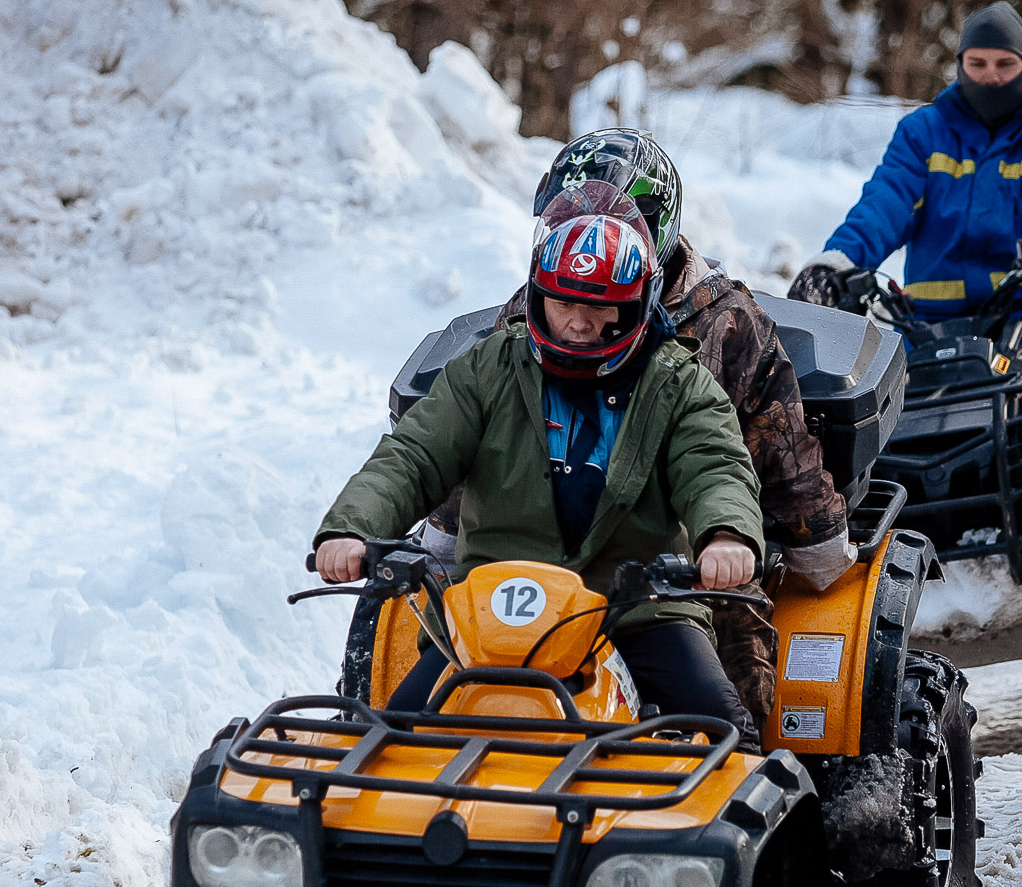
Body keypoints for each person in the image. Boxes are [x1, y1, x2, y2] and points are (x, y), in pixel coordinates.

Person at [421, 129, 854, 727]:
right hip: (541, 559)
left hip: (677, 554)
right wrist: (445, 531)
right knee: (437, 661)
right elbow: (482, 425)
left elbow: (775, 441)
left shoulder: (727, 323)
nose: (590, 237)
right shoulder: (533, 308)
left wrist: (808, 542)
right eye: (568, 219)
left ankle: (746, 798)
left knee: (733, 684)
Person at [315, 188, 767, 749]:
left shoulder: (680, 384)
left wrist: (726, 536)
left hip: (638, 608)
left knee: (725, 734)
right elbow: (413, 453)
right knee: (387, 743)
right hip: (492, 611)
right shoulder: (486, 368)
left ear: (637, 303)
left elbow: (716, 466)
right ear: (537, 295)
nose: (578, 322)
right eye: (563, 301)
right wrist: (351, 527)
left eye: (601, 305)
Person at [788, 3, 1022, 371]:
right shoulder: (922, 131)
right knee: (861, 401)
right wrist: (834, 265)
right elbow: (884, 204)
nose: (991, 76)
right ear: (960, 66)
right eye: (978, 64)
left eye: (1005, 65)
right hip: (930, 321)